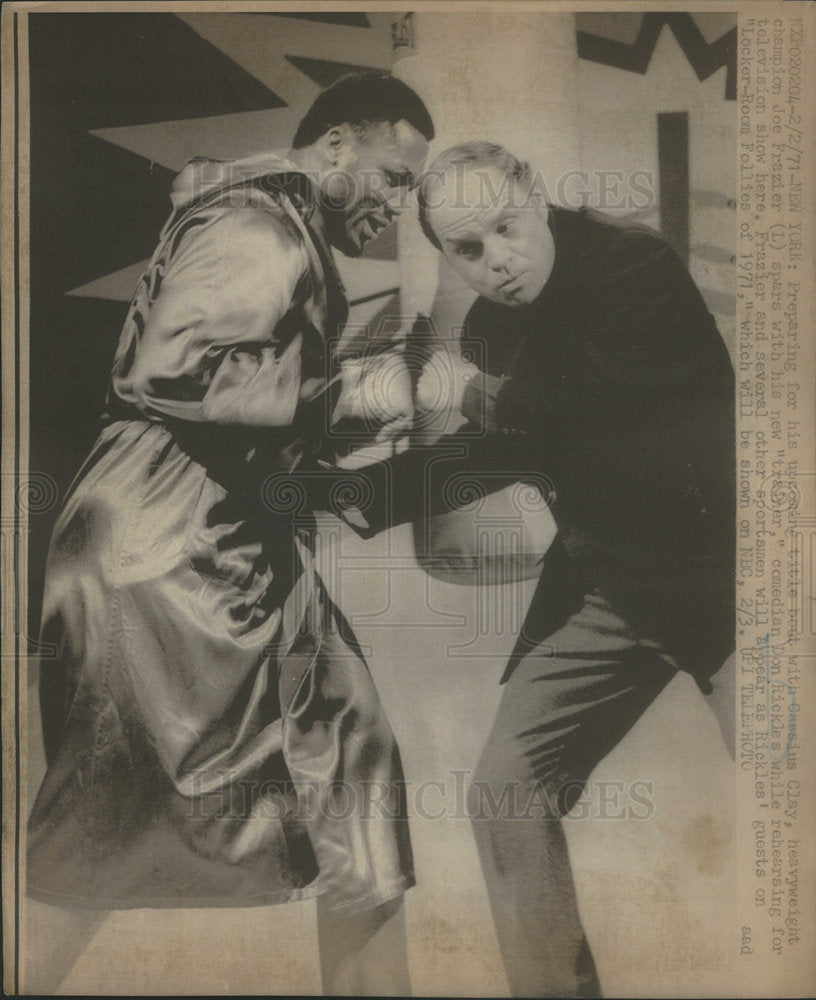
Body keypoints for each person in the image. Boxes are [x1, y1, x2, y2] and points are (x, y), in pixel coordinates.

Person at [27, 70, 432, 996]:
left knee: (347, 763)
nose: (398, 204)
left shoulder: (272, 225)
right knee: (103, 819)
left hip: (188, 534)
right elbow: (169, 368)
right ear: (335, 147)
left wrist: (357, 435)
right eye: (392, 176)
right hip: (172, 541)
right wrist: (353, 395)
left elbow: (243, 414)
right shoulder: (260, 223)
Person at [404, 141, 734, 997]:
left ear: (536, 199)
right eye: (466, 250)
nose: (496, 263)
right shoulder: (490, 327)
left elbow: (594, 420)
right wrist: (336, 487)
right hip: (609, 583)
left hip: (733, 574)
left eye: (505, 230)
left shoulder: (635, 269)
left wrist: (463, 391)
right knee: (505, 795)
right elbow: (510, 447)